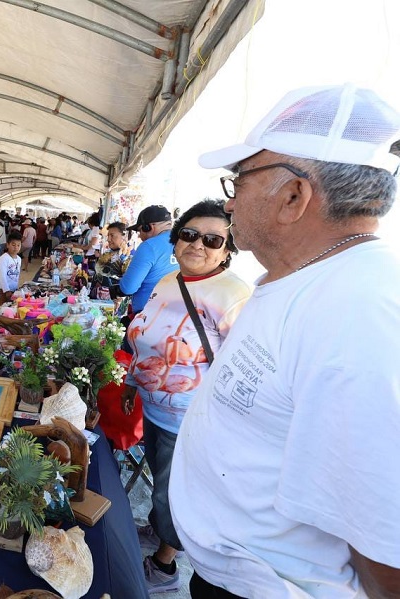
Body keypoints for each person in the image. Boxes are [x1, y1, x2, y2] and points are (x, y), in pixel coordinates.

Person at [170, 84, 400, 598]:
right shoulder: (309, 278)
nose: (231, 200)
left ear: (294, 196)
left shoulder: (359, 311)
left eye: (240, 180)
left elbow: (388, 545)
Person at [120, 199, 251, 593]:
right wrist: (130, 381)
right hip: (155, 408)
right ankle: (158, 533)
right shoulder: (168, 281)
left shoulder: (233, 294)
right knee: (164, 487)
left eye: (213, 240)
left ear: (227, 250)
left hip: (189, 419)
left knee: (172, 493)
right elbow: (145, 335)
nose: (198, 245)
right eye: (190, 235)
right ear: (176, 240)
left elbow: (242, 370)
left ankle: (164, 567)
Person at [118, 205, 179, 352]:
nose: (139, 235)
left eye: (140, 230)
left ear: (149, 227)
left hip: (147, 319)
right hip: (176, 320)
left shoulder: (149, 246)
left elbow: (128, 287)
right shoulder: (184, 242)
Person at [0, 230, 22, 304]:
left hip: (14, 289)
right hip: (4, 290)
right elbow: (2, 276)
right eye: (13, 245)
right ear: (7, 245)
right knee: (3, 310)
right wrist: (7, 291)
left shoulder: (19, 259)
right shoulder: (4, 258)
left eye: (18, 245)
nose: (16, 248)